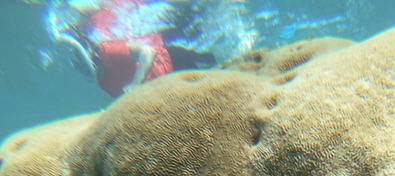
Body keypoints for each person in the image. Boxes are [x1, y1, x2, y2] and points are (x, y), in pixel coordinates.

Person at [44, 0, 255, 98]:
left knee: (213, 63)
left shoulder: (106, 50)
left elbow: (148, 52)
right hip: (168, 81)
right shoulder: (102, 82)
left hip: (170, 60)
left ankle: (247, 57)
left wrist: (136, 84)